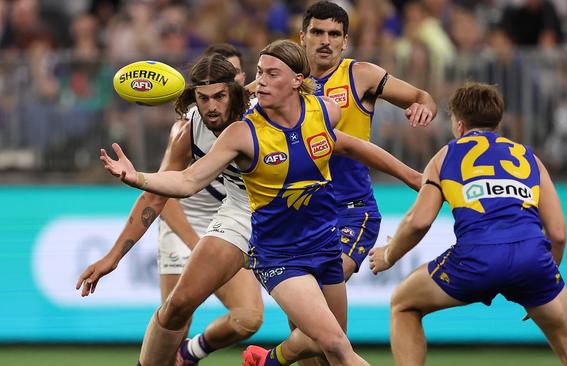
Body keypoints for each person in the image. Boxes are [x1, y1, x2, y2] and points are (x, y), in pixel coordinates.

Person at [100, 40, 420, 366]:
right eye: (259, 73)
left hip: (316, 234)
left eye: (222, 93)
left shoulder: (320, 111)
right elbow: (184, 183)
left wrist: (412, 177)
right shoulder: (223, 130)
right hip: (253, 221)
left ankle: (268, 360)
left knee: (324, 342)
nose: (211, 106)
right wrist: (136, 179)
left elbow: (348, 145)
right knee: (180, 304)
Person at [368, 82, 567, 366]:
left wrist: (389, 255)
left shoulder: (447, 155)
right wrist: (544, 280)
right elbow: (558, 233)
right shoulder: (529, 157)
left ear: (459, 124)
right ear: (497, 122)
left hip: (476, 258)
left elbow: (418, 222)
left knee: (404, 304)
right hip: (532, 259)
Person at [77, 45, 264, 366]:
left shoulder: (263, 116)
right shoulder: (188, 130)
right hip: (184, 218)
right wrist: (113, 257)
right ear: (194, 95)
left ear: (239, 84)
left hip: (236, 219)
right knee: (179, 313)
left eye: (220, 93)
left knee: (248, 318)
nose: (212, 105)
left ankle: (188, 354)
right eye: (203, 97)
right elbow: (160, 196)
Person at [300, 0, 437, 281]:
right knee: (309, 314)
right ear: (302, 37)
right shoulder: (285, 80)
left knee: (325, 283)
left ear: (345, 41)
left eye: (334, 34)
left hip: (352, 209)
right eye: (317, 32)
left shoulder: (360, 75)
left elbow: (422, 97)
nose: (326, 41)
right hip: (303, 210)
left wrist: (424, 107)